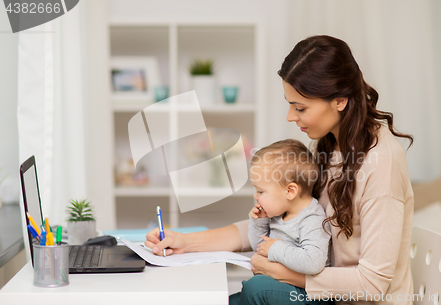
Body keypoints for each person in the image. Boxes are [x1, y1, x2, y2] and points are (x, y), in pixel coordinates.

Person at [145, 35, 414, 305]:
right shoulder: (329, 145)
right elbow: (278, 220)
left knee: (258, 289)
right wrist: (185, 242)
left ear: (340, 100)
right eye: (290, 104)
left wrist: (283, 273)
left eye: (300, 107)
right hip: (326, 296)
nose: (290, 116)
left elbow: (372, 285)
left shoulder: (382, 165)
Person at [247, 139, 331, 276]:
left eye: (260, 191)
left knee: (253, 289)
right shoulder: (280, 213)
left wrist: (275, 248)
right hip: (277, 283)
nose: (256, 197)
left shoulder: (311, 219)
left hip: (300, 293)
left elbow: (313, 262)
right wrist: (259, 223)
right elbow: (259, 247)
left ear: (290, 191)